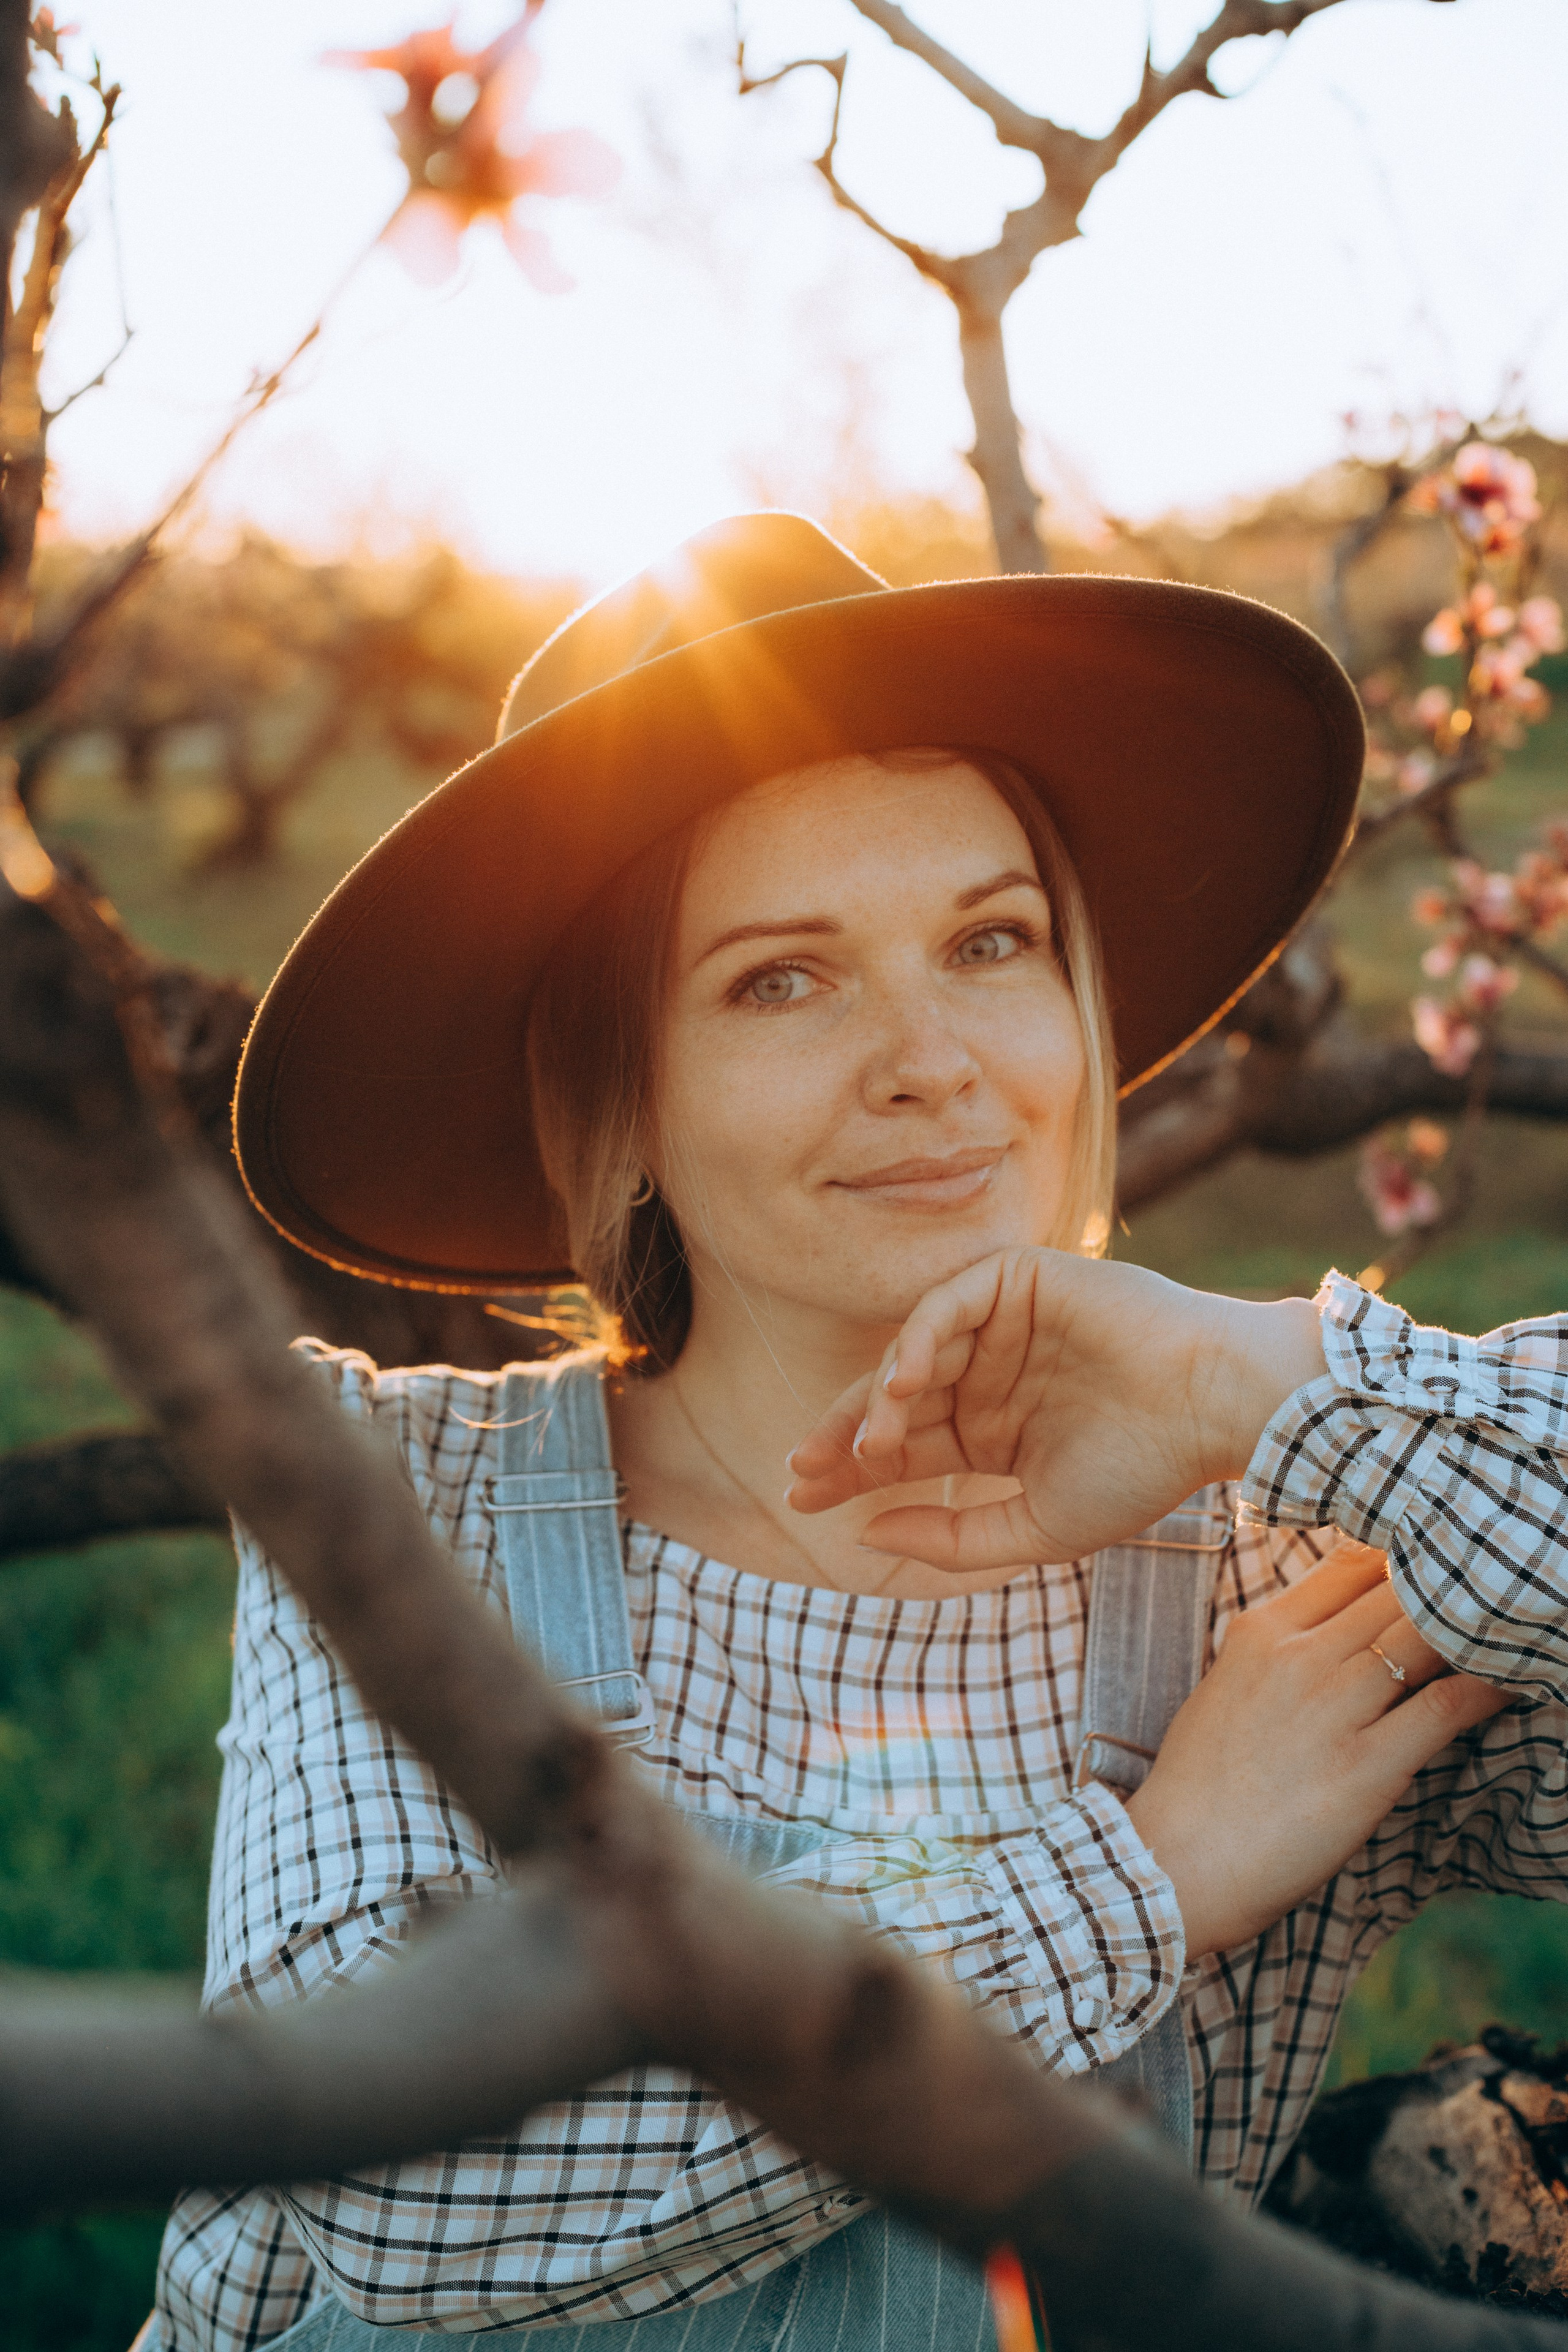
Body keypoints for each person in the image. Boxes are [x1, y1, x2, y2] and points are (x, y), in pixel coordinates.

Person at [150, 516, 1568, 2351]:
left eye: (992, 941)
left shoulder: (1287, 1580)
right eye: (783, 980)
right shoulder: (399, 1514)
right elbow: (415, 2195)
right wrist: (1141, 1884)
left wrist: (1268, 1378)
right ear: (623, 1103)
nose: (931, 1058)